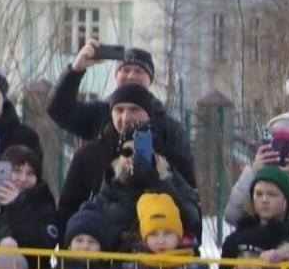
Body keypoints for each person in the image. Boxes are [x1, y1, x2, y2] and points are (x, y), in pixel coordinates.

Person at [49, 42, 198, 180]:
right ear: (116, 76)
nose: (131, 76)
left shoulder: (170, 129)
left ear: (150, 79)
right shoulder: (99, 114)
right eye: (125, 70)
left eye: (139, 71)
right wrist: (76, 70)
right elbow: (59, 110)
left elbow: (186, 182)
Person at [58, 83, 191, 231]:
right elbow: (68, 211)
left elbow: (192, 218)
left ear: (149, 115)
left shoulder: (172, 156)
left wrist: (156, 181)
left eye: (134, 109)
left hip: (163, 242)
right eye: (119, 110)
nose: (126, 118)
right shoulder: (89, 156)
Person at [0, 143, 62, 254]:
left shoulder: (44, 205)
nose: (23, 178)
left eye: (30, 173)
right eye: (17, 171)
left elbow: (46, 243)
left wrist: (17, 205)